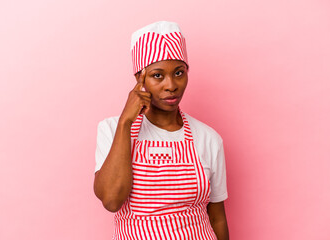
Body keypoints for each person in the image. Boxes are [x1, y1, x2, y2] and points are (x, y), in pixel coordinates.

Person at [93, 21, 229, 240]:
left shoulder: (208, 138)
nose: (171, 85)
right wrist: (126, 122)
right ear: (140, 79)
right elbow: (111, 199)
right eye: (158, 75)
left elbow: (217, 218)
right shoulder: (112, 129)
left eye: (178, 73)